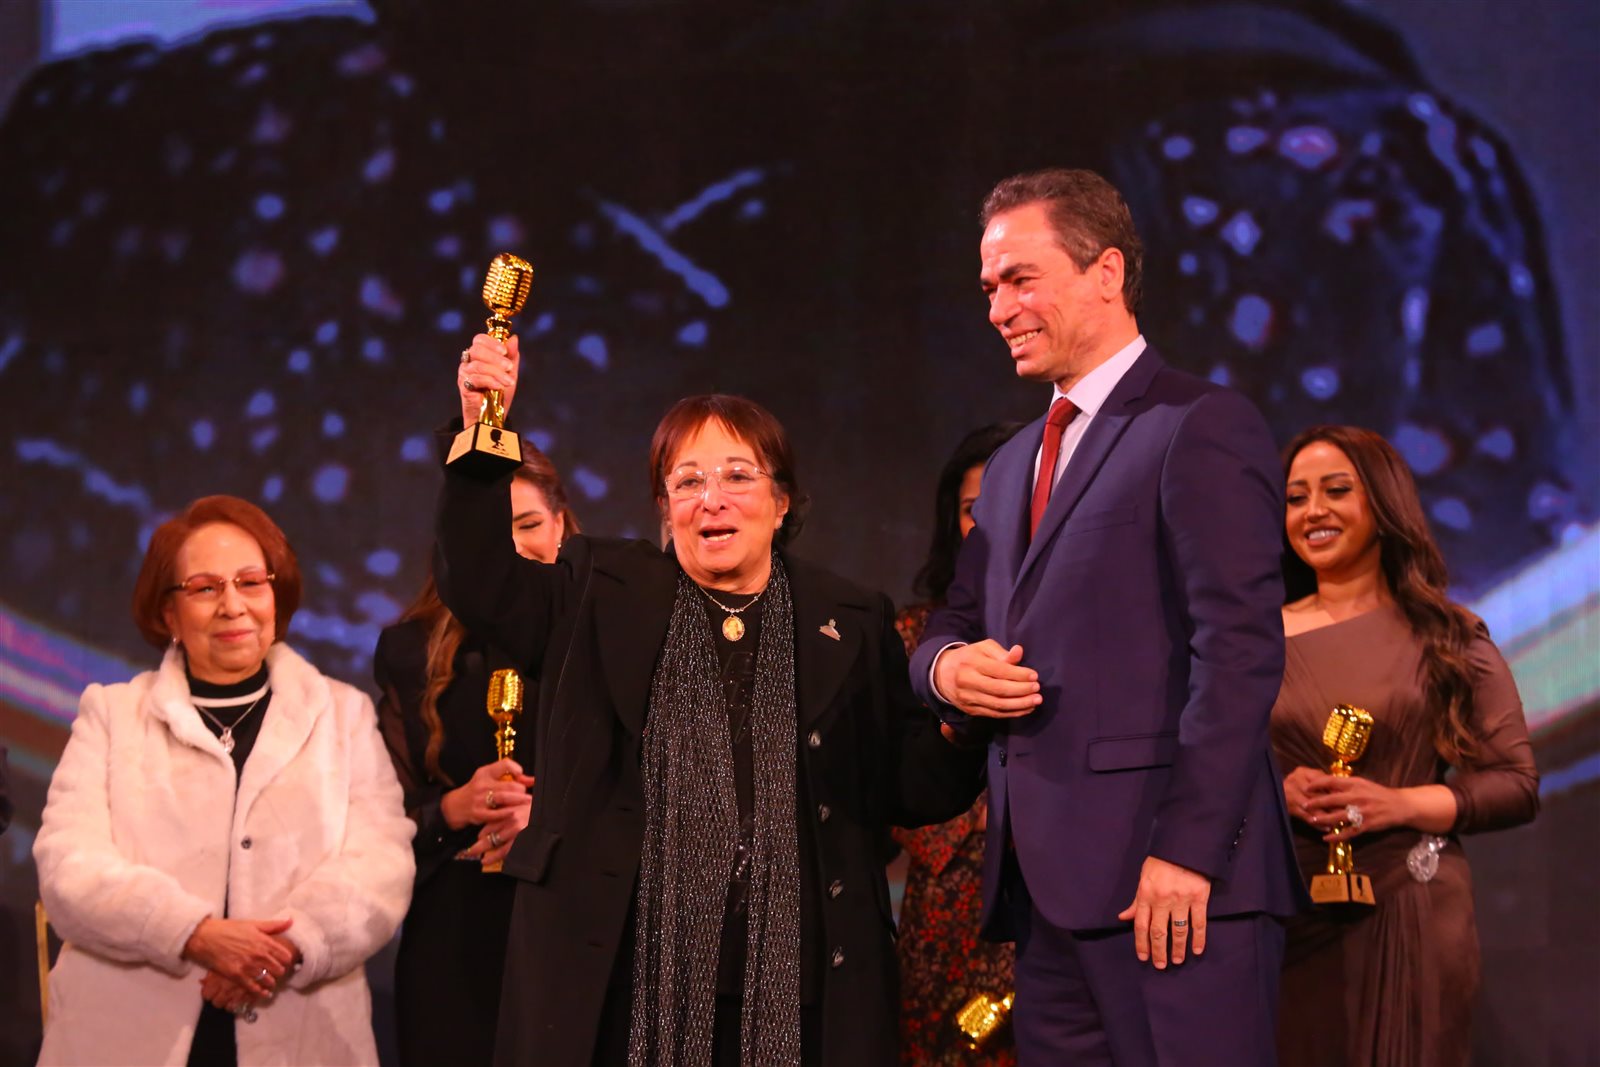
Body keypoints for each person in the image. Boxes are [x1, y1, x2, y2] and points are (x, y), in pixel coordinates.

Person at [437, 333, 986, 1065]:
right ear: (665, 507)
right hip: (623, 988)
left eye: (738, 476)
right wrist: (482, 431)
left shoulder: (849, 616)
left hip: (802, 990)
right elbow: (480, 581)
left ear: (782, 501)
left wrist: (964, 716)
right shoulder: (596, 592)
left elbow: (909, 785)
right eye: (687, 480)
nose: (712, 498)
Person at [909, 168, 1306, 1065]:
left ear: (1108, 271)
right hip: (1044, 901)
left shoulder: (1199, 423)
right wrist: (946, 668)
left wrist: (1189, 852)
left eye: (1021, 279)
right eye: (989, 288)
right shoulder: (1010, 467)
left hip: (1176, 888)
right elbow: (950, 619)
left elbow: (1239, 651)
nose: (998, 309)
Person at [32, 495, 415, 1067]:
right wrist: (194, 933)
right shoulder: (111, 715)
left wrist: (285, 946)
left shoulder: (344, 715)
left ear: (276, 596)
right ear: (168, 614)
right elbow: (69, 867)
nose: (233, 606)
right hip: (126, 1036)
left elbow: (381, 864)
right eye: (205, 588)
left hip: (300, 1033)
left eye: (251, 583)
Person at [1271, 425, 1539, 1067]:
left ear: (1384, 504)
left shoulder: (1447, 635)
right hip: (1284, 912)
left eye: (1337, 491)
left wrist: (1397, 804)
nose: (1314, 512)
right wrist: (1273, 790)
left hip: (1410, 906)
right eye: (1296, 498)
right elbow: (1205, 769)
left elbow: (1515, 783)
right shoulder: (1248, 640)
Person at [376, 449, 580, 1067]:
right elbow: (374, 822)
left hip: (575, 931)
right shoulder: (409, 652)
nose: (510, 548)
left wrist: (551, 822)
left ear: (562, 524)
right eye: (491, 532)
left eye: (529, 524)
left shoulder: (614, 640)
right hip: (455, 939)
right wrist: (453, 808)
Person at [892, 421, 1022, 1066]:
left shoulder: (1067, 624)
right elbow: (886, 770)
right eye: (973, 508)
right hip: (944, 892)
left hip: (1044, 877)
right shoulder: (912, 634)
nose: (987, 522)